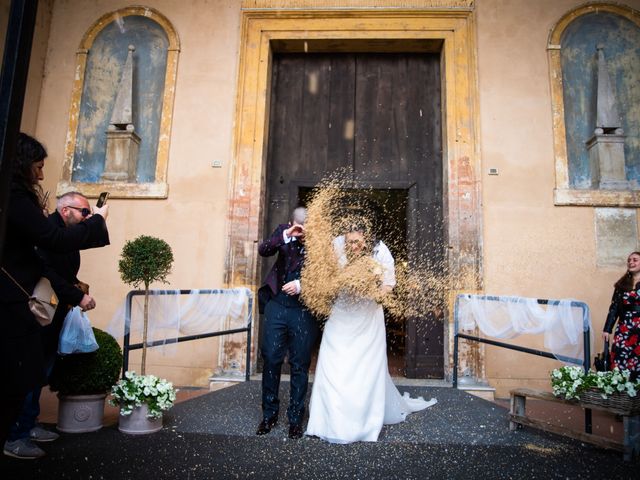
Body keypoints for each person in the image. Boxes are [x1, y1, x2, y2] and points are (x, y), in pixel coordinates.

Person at [0, 133, 109, 456]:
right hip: (25, 306)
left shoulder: (22, 204)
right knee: (22, 373)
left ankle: (23, 427)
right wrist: (100, 222)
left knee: (34, 370)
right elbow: (50, 262)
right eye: (37, 166)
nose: (42, 174)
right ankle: (15, 435)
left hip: (41, 308)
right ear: (65, 210)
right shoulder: (20, 205)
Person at [305, 223, 436, 444]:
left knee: (365, 367)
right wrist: (339, 283)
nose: (353, 246)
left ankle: (363, 423)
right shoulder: (336, 246)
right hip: (341, 314)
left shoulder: (380, 251)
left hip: (368, 317)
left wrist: (372, 291)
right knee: (333, 362)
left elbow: (388, 284)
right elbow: (323, 276)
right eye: (349, 242)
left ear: (367, 239)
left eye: (357, 242)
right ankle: (326, 421)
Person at [256, 207, 319, 439]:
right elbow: (264, 250)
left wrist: (301, 285)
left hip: (303, 310)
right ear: (291, 222)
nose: (302, 231)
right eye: (299, 226)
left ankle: (295, 419)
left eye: (306, 228)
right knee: (271, 357)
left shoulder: (319, 240)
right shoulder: (283, 231)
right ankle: (269, 414)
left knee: (300, 363)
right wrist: (286, 235)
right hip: (277, 306)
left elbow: (326, 275)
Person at [602, 251, 640, 380]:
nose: (631, 262)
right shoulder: (622, 284)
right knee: (621, 358)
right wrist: (607, 329)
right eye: (629, 260)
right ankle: (622, 395)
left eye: (635, 260)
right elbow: (614, 308)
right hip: (624, 327)